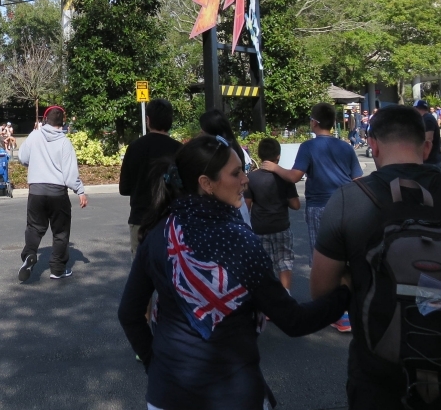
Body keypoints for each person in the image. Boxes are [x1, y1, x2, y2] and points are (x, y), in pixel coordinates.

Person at [310, 105, 441, 409]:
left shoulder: (348, 200)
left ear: (372, 146)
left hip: (380, 381)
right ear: (426, 146)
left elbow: (321, 289)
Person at [118, 135, 350, 410]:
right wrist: (346, 291)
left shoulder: (159, 234)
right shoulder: (240, 241)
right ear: (206, 183)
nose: (245, 179)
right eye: (236, 172)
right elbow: (293, 320)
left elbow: (129, 313)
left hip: (166, 394)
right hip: (233, 394)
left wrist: (154, 364)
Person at [260, 102, 361, 333]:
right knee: (346, 255)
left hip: (319, 206)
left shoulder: (308, 146)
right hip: (346, 203)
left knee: (324, 256)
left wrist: (275, 168)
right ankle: (349, 309)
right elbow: (358, 179)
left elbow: (295, 176)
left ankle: (334, 312)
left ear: (314, 122)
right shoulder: (345, 147)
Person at [17, 105, 87, 281]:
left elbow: (22, 157)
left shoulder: (34, 136)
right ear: (62, 122)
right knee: (60, 232)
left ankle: (30, 254)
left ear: (45, 120)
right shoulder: (64, 142)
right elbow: (70, 173)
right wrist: (80, 190)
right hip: (57, 193)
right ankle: (57, 269)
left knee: (34, 227)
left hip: (36, 191)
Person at [119, 98, 181, 254]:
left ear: (148, 120)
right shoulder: (179, 150)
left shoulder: (135, 147)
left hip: (141, 220)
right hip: (171, 221)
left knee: (141, 273)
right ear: (170, 120)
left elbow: (124, 188)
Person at [244, 138, 300, 291]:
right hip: (281, 226)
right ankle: (285, 296)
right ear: (278, 156)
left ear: (259, 155)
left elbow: (247, 206)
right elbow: (296, 205)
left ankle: (267, 303)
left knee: (264, 264)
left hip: (260, 228)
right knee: (284, 262)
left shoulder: (251, 178)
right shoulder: (285, 177)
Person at [413, 100, 441, 171]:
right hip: (430, 160)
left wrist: (423, 155)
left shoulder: (427, 119)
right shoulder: (425, 118)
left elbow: (428, 139)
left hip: (430, 160)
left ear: (416, 108)